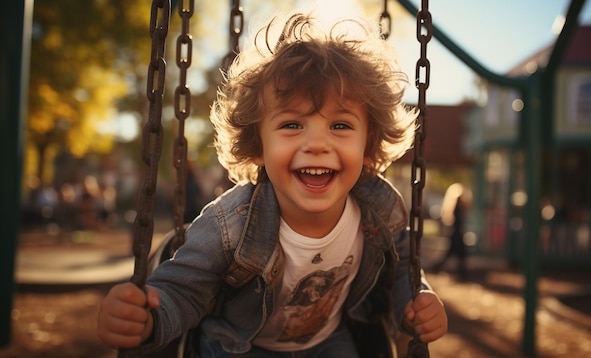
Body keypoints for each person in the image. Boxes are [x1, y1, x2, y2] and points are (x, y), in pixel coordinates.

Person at [98, 12, 447, 357]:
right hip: (239, 347)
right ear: (258, 146)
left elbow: (402, 266)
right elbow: (183, 289)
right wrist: (147, 320)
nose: (317, 144)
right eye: (292, 125)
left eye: (340, 126)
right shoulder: (229, 225)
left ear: (368, 146)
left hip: (328, 342)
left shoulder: (381, 210)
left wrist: (417, 299)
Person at [433, 183, 469, 280]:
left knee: (453, 255)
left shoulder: (455, 206)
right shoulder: (458, 207)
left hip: (455, 234)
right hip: (456, 235)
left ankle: (461, 274)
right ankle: (462, 274)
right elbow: (458, 222)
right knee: (459, 255)